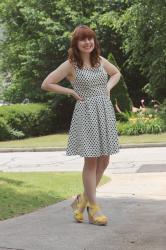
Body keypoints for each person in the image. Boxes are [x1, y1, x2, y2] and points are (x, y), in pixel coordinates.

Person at [41, 25, 121, 226]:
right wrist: (70, 92)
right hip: (86, 114)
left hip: (103, 112)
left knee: (105, 161)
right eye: (83, 39)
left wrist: (108, 88)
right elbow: (47, 83)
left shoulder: (100, 61)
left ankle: (81, 200)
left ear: (94, 42)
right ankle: (93, 209)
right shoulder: (71, 64)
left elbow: (116, 73)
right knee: (91, 161)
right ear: (76, 44)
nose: (87, 42)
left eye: (90, 39)